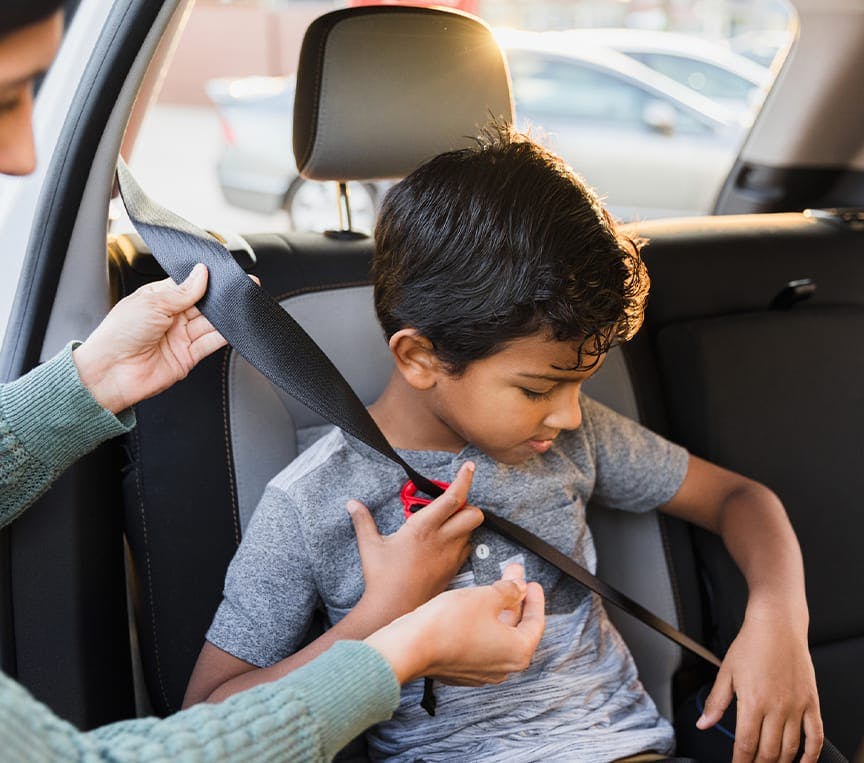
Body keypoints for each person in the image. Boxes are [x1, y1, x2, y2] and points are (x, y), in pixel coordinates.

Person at [0, 2, 546, 760]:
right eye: (4, 98)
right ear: (416, 355)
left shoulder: (555, 431)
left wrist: (85, 383)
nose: (25, 155)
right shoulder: (312, 496)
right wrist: (396, 637)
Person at [187, 125, 825, 763]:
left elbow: (740, 498)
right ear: (419, 358)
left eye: (580, 385)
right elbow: (206, 722)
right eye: (539, 388)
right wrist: (380, 616)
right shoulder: (315, 501)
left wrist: (778, 619)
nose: (572, 417)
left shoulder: (572, 441)